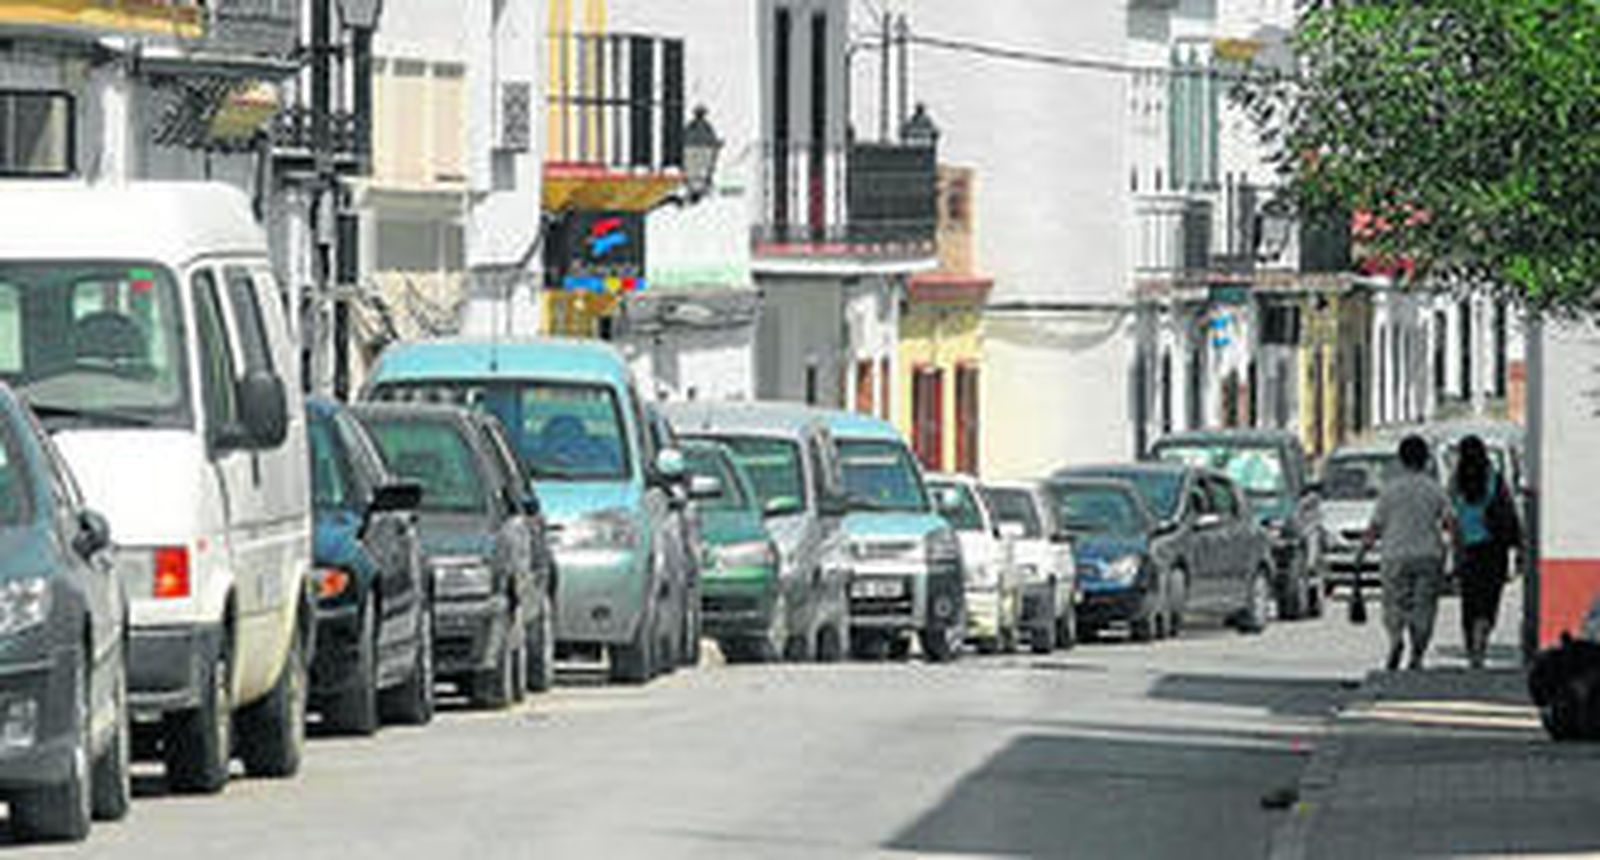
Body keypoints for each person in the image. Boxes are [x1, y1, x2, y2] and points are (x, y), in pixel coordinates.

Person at [1363, 435, 1453, 671]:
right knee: (1424, 606)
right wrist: (1457, 551)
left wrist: (1363, 550)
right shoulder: (1434, 489)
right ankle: (1417, 654)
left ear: (1401, 460)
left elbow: (1375, 526)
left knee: (1394, 603)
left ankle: (1395, 638)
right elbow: (1450, 523)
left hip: (1395, 555)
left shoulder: (1389, 490)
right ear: (1426, 460)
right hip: (1428, 555)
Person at [1449, 435, 1523, 669]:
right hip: (1494, 548)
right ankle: (1484, 629)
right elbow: (1509, 512)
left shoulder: (1456, 483)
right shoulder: (1494, 479)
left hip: (1466, 549)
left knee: (1469, 600)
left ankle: (1473, 651)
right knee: (1489, 597)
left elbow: (1451, 518)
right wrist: (1519, 545)